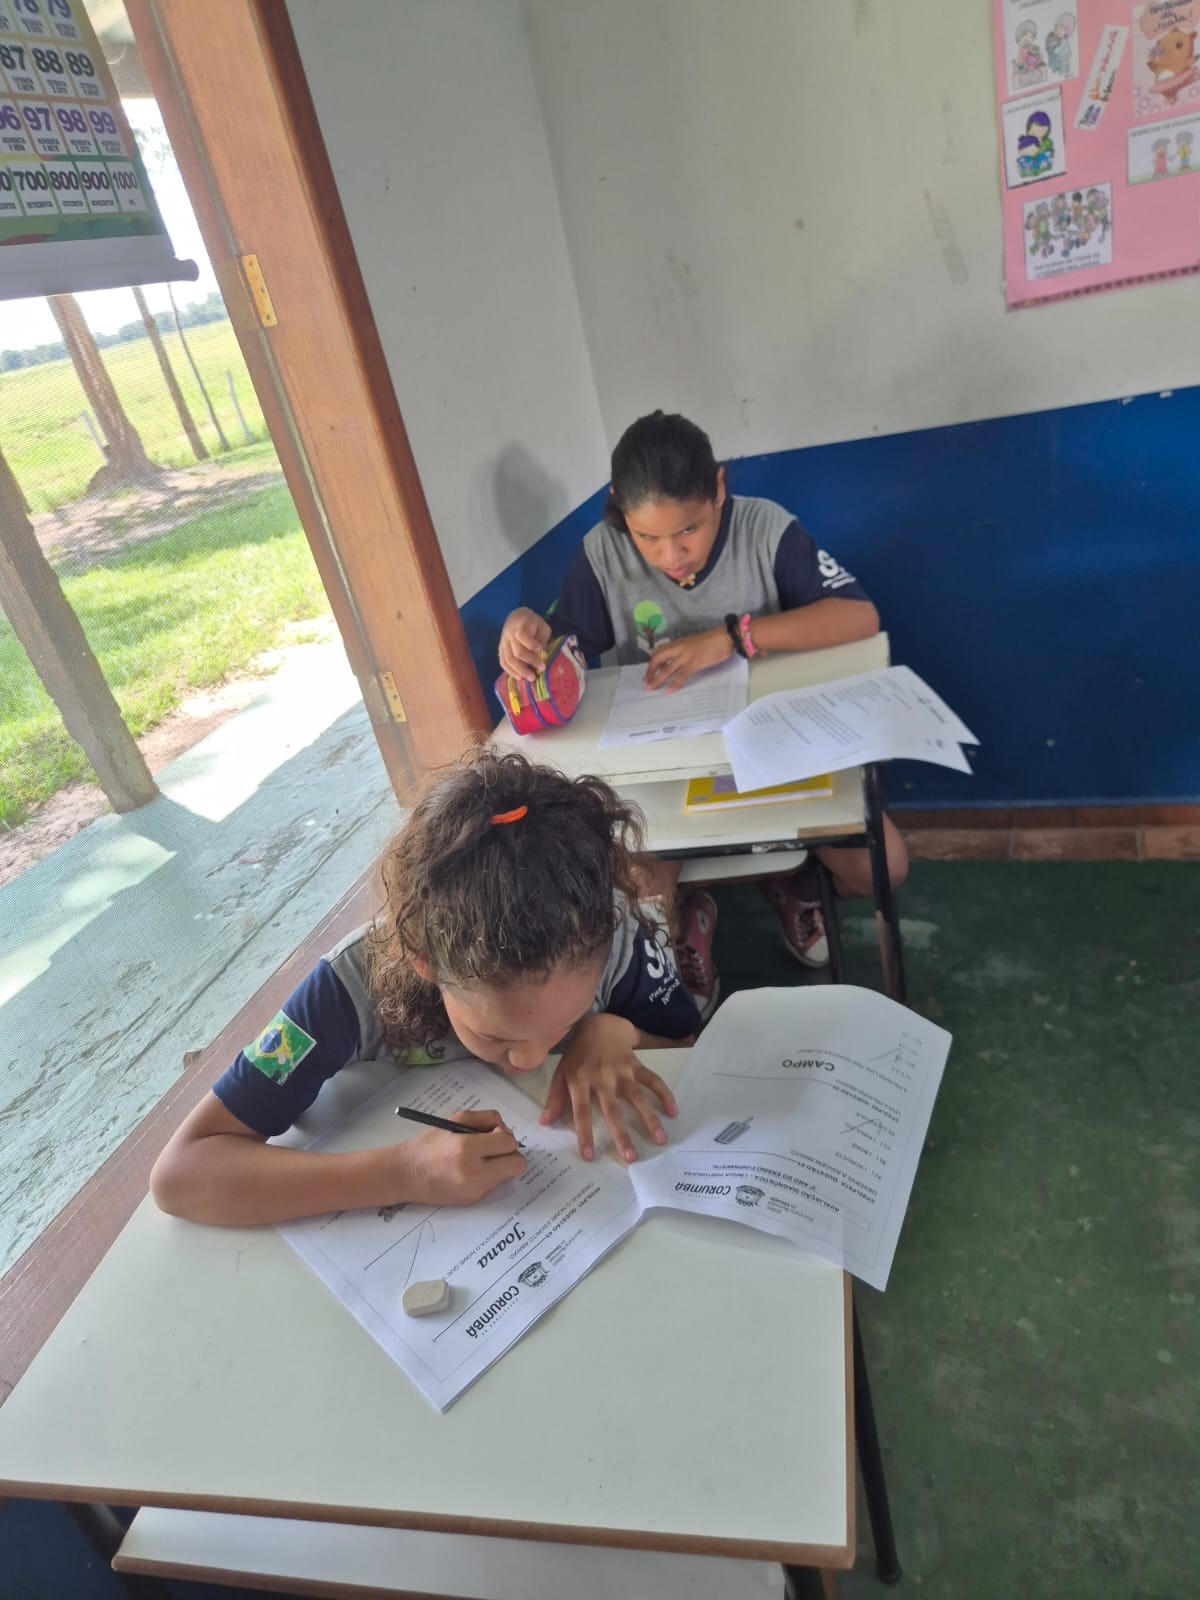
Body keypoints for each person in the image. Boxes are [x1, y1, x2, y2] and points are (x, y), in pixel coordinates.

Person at [150, 751, 698, 1226]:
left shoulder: (609, 933)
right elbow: (182, 1173)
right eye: (496, 1036)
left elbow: (689, 1044)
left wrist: (614, 1032)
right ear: (424, 963)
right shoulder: (346, 989)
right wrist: (404, 1172)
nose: (530, 1059)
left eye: (566, 1023)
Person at [499, 411, 908, 1017]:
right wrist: (525, 632)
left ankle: (793, 886)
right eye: (647, 537)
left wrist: (732, 637)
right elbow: (564, 649)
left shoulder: (765, 528)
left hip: (773, 752)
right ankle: (687, 920)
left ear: (719, 487)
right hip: (667, 771)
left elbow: (858, 616)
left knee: (884, 868)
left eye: (689, 529)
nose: (671, 555)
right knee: (641, 894)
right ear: (620, 510)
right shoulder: (602, 554)